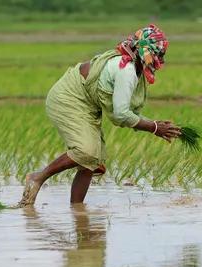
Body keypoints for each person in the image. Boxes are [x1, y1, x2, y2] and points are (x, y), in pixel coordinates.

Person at [19, 25, 181, 206]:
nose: (161, 59)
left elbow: (127, 110)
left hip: (87, 103)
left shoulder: (135, 67)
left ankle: (77, 210)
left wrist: (154, 124)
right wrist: (154, 127)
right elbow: (121, 114)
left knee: (91, 160)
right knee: (86, 151)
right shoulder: (126, 70)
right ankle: (38, 177)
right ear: (148, 52)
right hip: (69, 98)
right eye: (159, 54)